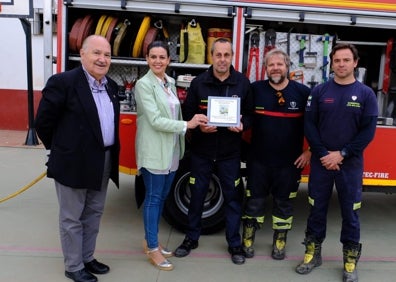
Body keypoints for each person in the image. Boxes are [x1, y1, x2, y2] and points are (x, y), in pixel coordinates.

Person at [35, 35, 120, 282]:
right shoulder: (63, 83)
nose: (102, 59)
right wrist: (59, 150)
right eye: (96, 53)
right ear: (82, 55)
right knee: (72, 217)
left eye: (107, 54)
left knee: (93, 213)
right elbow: (43, 122)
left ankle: (86, 257)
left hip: (102, 160)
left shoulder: (111, 86)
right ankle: (73, 266)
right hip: (72, 161)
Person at [295, 43, 378, 282]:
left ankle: (350, 260)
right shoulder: (319, 91)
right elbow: (309, 125)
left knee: (350, 213)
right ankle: (312, 253)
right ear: (332, 63)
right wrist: (323, 154)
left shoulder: (365, 94)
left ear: (355, 62)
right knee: (315, 209)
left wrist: (341, 154)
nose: (341, 64)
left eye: (346, 60)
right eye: (337, 60)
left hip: (349, 165)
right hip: (322, 164)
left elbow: (367, 132)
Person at [174, 38, 254, 265]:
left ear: (232, 56)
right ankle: (191, 238)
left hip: (230, 153)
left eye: (226, 55)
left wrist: (242, 124)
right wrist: (199, 125)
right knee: (197, 196)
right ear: (212, 56)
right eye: (218, 55)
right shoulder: (199, 83)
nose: (222, 59)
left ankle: (234, 243)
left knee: (232, 198)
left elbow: (249, 115)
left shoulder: (242, 83)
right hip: (201, 152)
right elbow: (188, 115)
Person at [134, 41, 207, 271]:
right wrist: (189, 124)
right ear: (147, 59)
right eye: (153, 57)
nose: (157, 61)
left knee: (162, 197)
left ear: (168, 60)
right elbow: (155, 120)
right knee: (154, 199)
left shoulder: (170, 82)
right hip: (155, 151)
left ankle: (150, 240)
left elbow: (174, 111)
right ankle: (153, 249)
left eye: (162, 57)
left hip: (172, 151)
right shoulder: (143, 85)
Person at [241, 49, 311, 260]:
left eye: (279, 64)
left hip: (289, 164)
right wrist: (239, 124)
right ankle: (248, 236)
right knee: (254, 202)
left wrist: (310, 151)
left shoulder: (302, 93)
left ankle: (280, 240)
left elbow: (316, 125)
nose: (275, 68)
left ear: (287, 66)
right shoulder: (255, 90)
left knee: (284, 203)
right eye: (271, 65)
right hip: (258, 161)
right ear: (265, 68)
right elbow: (247, 117)